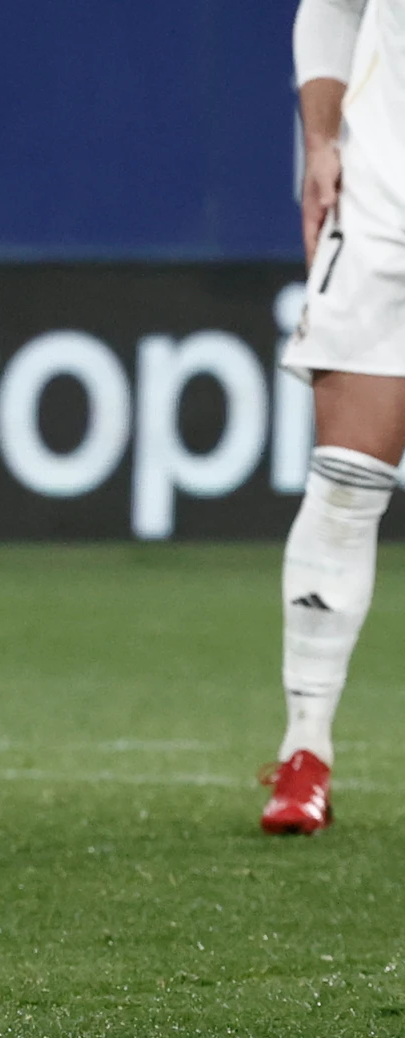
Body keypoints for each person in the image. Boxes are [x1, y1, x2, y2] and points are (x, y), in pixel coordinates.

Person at [267, 0, 405, 835]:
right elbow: (330, 8)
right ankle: (304, 748)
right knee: (348, 482)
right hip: (388, 200)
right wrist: (321, 142)